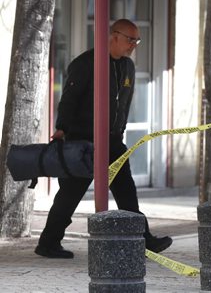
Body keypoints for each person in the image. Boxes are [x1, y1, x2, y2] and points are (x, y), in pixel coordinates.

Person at [35, 19, 172, 258]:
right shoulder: (86, 63)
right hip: (83, 142)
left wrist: (118, 131)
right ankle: (48, 243)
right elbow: (69, 98)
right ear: (114, 36)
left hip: (112, 142)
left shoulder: (127, 67)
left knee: (127, 192)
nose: (134, 45)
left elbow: (123, 104)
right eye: (130, 39)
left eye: (137, 40)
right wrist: (62, 129)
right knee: (70, 195)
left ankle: (144, 238)